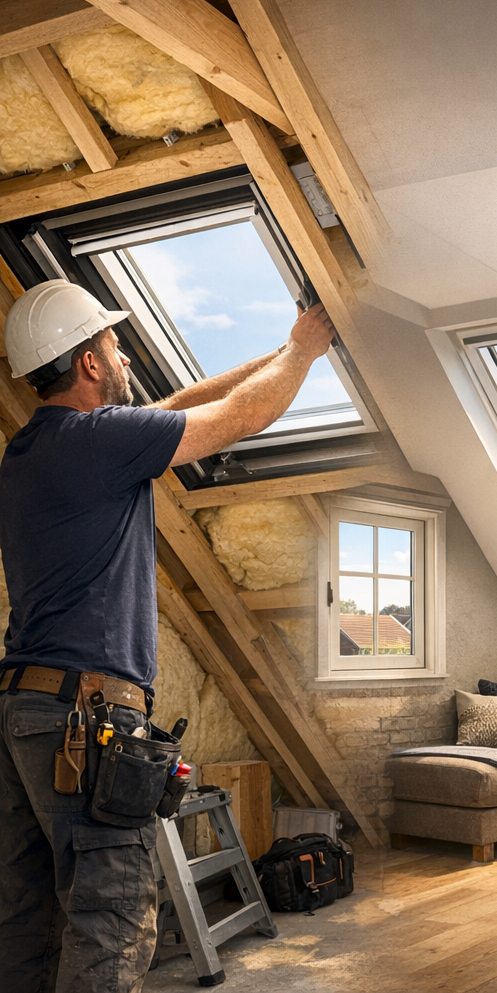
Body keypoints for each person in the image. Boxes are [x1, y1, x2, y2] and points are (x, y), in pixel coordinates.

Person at [0, 279, 336, 993]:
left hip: (24, 714)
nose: (123, 357)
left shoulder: (36, 450)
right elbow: (243, 417)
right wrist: (306, 356)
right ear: (89, 362)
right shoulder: (97, 443)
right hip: (82, 721)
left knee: (26, 920)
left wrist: (285, 345)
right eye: (114, 344)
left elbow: (176, 409)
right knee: (112, 917)